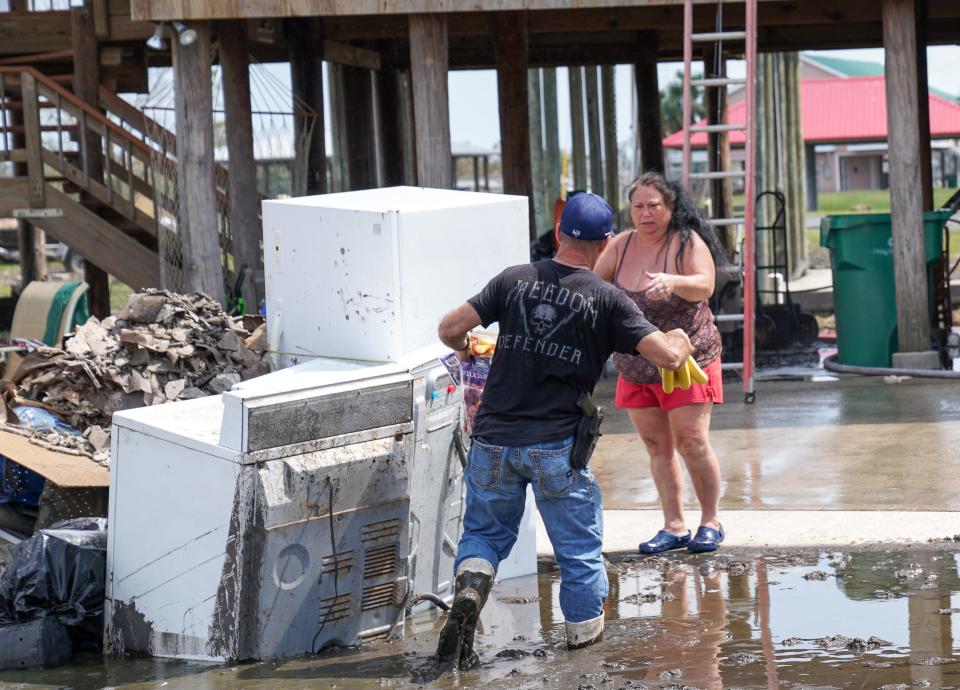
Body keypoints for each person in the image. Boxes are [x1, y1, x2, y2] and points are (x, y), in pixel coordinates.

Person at [433, 192, 695, 672]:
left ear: (558, 234)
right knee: (578, 553)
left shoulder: (514, 279)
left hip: (492, 441)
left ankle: (470, 590)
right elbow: (666, 358)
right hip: (556, 449)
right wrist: (679, 339)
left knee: (484, 536)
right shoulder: (607, 298)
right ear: (606, 243)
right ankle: (583, 655)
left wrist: (466, 348)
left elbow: (449, 327)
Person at [594, 171, 726, 555]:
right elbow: (593, 284)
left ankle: (711, 521)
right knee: (657, 445)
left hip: (688, 359)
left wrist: (674, 281)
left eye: (654, 205)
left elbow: (706, 283)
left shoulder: (685, 241)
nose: (646, 213)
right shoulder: (620, 245)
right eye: (638, 206)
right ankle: (673, 526)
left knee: (692, 441)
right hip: (636, 365)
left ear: (670, 209)